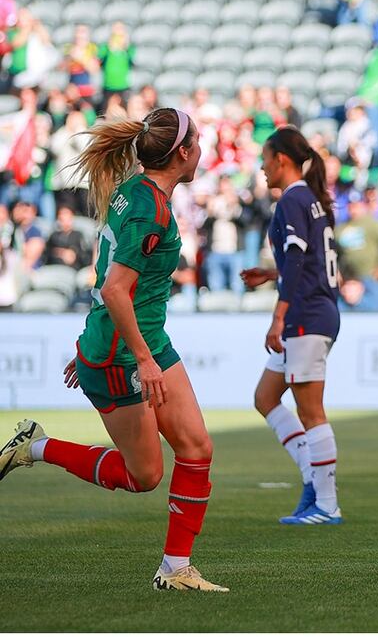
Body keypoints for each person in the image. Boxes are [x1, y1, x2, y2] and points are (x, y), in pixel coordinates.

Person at [0, 108, 228, 591]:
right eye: (198, 141)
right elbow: (114, 289)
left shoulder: (137, 190)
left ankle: (175, 569)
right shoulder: (150, 208)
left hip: (144, 342)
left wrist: (121, 346)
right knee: (144, 476)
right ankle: (35, 446)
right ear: (183, 153)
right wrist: (133, 357)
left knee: (197, 448)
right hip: (124, 356)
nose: (202, 149)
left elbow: (111, 281)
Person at [240, 127, 343, 525]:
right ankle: (312, 481)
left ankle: (327, 505)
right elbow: (308, 259)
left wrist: (278, 316)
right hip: (314, 311)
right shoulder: (310, 199)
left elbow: (299, 258)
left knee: (311, 412)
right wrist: (271, 274)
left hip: (306, 315)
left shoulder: (293, 199)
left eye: (265, 159)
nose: (262, 168)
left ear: (281, 159)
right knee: (265, 397)